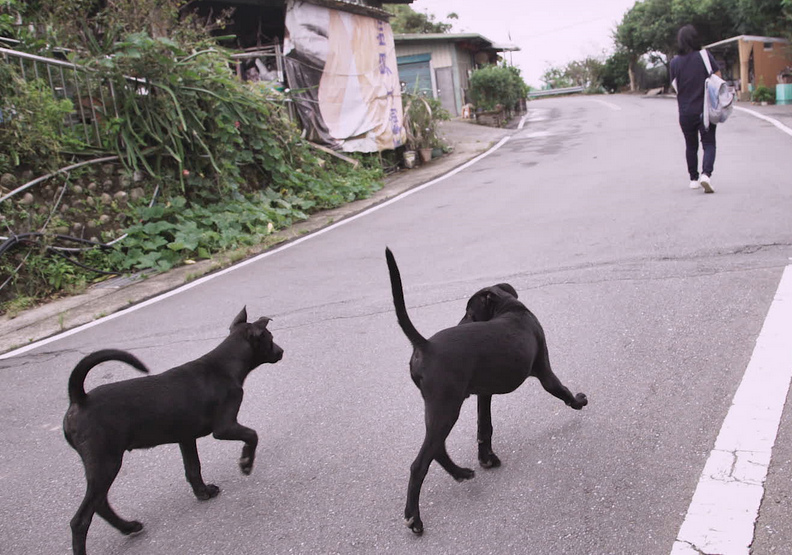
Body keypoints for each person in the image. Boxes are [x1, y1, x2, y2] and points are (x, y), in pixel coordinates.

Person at [669, 24, 719, 194]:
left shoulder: (674, 63)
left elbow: (675, 86)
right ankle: (706, 174)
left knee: (691, 145)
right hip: (705, 110)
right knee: (709, 143)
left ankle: (693, 179)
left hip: (685, 111)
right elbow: (718, 79)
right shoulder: (704, 56)